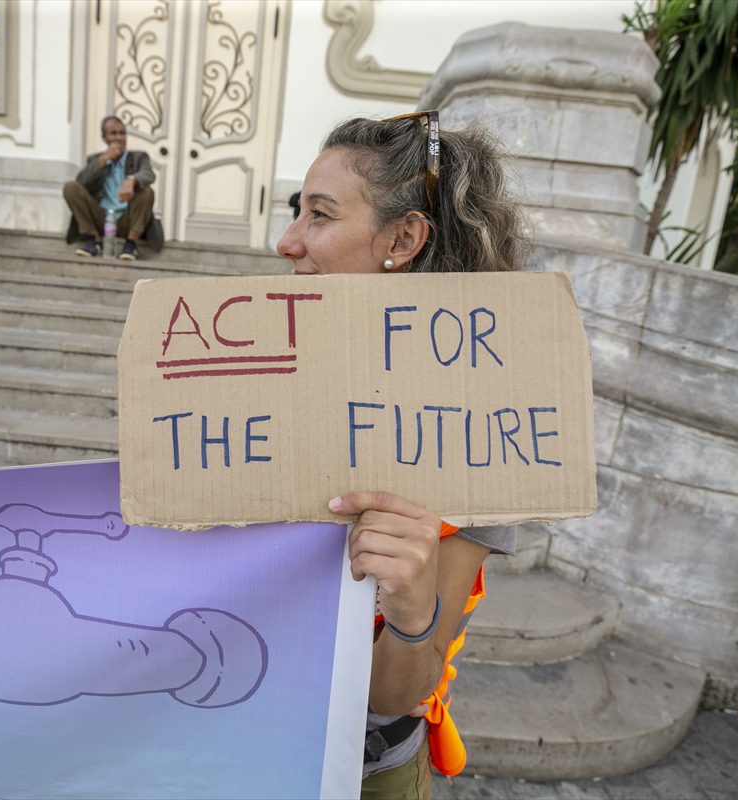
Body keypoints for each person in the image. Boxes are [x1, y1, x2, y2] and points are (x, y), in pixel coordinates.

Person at [276, 112, 527, 799]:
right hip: (229, 738)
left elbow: (399, 690)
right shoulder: (257, 386)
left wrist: (413, 607)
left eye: (318, 216)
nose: (286, 241)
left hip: (365, 771)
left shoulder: (481, 438)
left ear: (403, 239)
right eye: (295, 212)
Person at [62, 115, 155, 261]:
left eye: (122, 133)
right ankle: (93, 239)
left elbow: (148, 174)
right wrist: (103, 160)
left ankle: (131, 245)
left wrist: (132, 180)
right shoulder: (95, 159)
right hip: (102, 218)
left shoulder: (138, 157)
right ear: (104, 138)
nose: (119, 137)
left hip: (127, 219)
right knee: (70, 188)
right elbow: (81, 182)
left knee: (147, 192)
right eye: (113, 133)